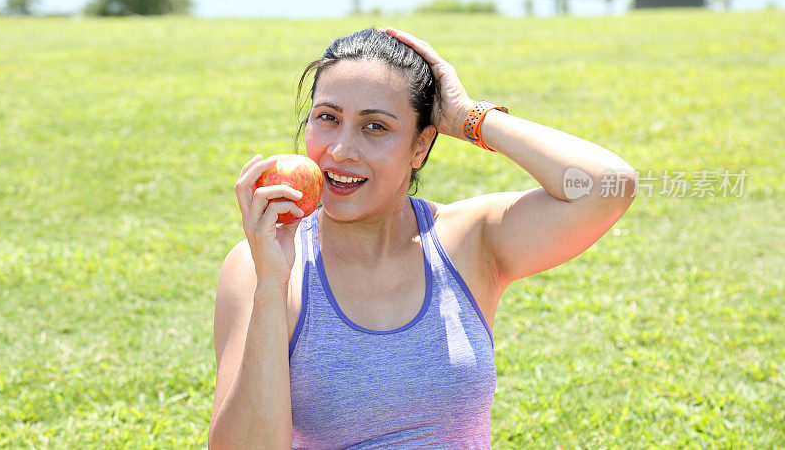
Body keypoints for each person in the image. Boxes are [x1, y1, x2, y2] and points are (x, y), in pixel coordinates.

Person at [208, 27, 637, 449]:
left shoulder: (467, 241)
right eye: (328, 118)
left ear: (420, 146)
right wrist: (271, 286)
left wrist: (471, 117)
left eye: (375, 127)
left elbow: (609, 185)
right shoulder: (259, 264)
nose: (340, 149)